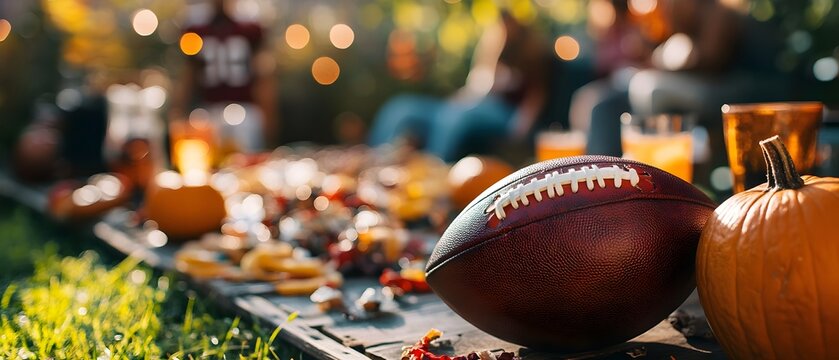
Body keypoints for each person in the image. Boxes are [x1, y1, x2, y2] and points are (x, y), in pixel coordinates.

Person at [368, 11, 554, 163]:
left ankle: (435, 169)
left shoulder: (532, 56)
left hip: (503, 113)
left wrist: (521, 129)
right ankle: (376, 163)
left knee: (456, 117)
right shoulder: (492, 53)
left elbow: (536, 96)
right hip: (470, 103)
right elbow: (476, 87)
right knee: (402, 107)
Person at [171, 0, 278, 154]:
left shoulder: (250, 25)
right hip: (209, 113)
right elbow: (189, 74)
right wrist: (178, 112)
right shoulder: (196, 26)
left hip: (244, 112)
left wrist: (268, 117)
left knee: (247, 160)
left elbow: (263, 75)